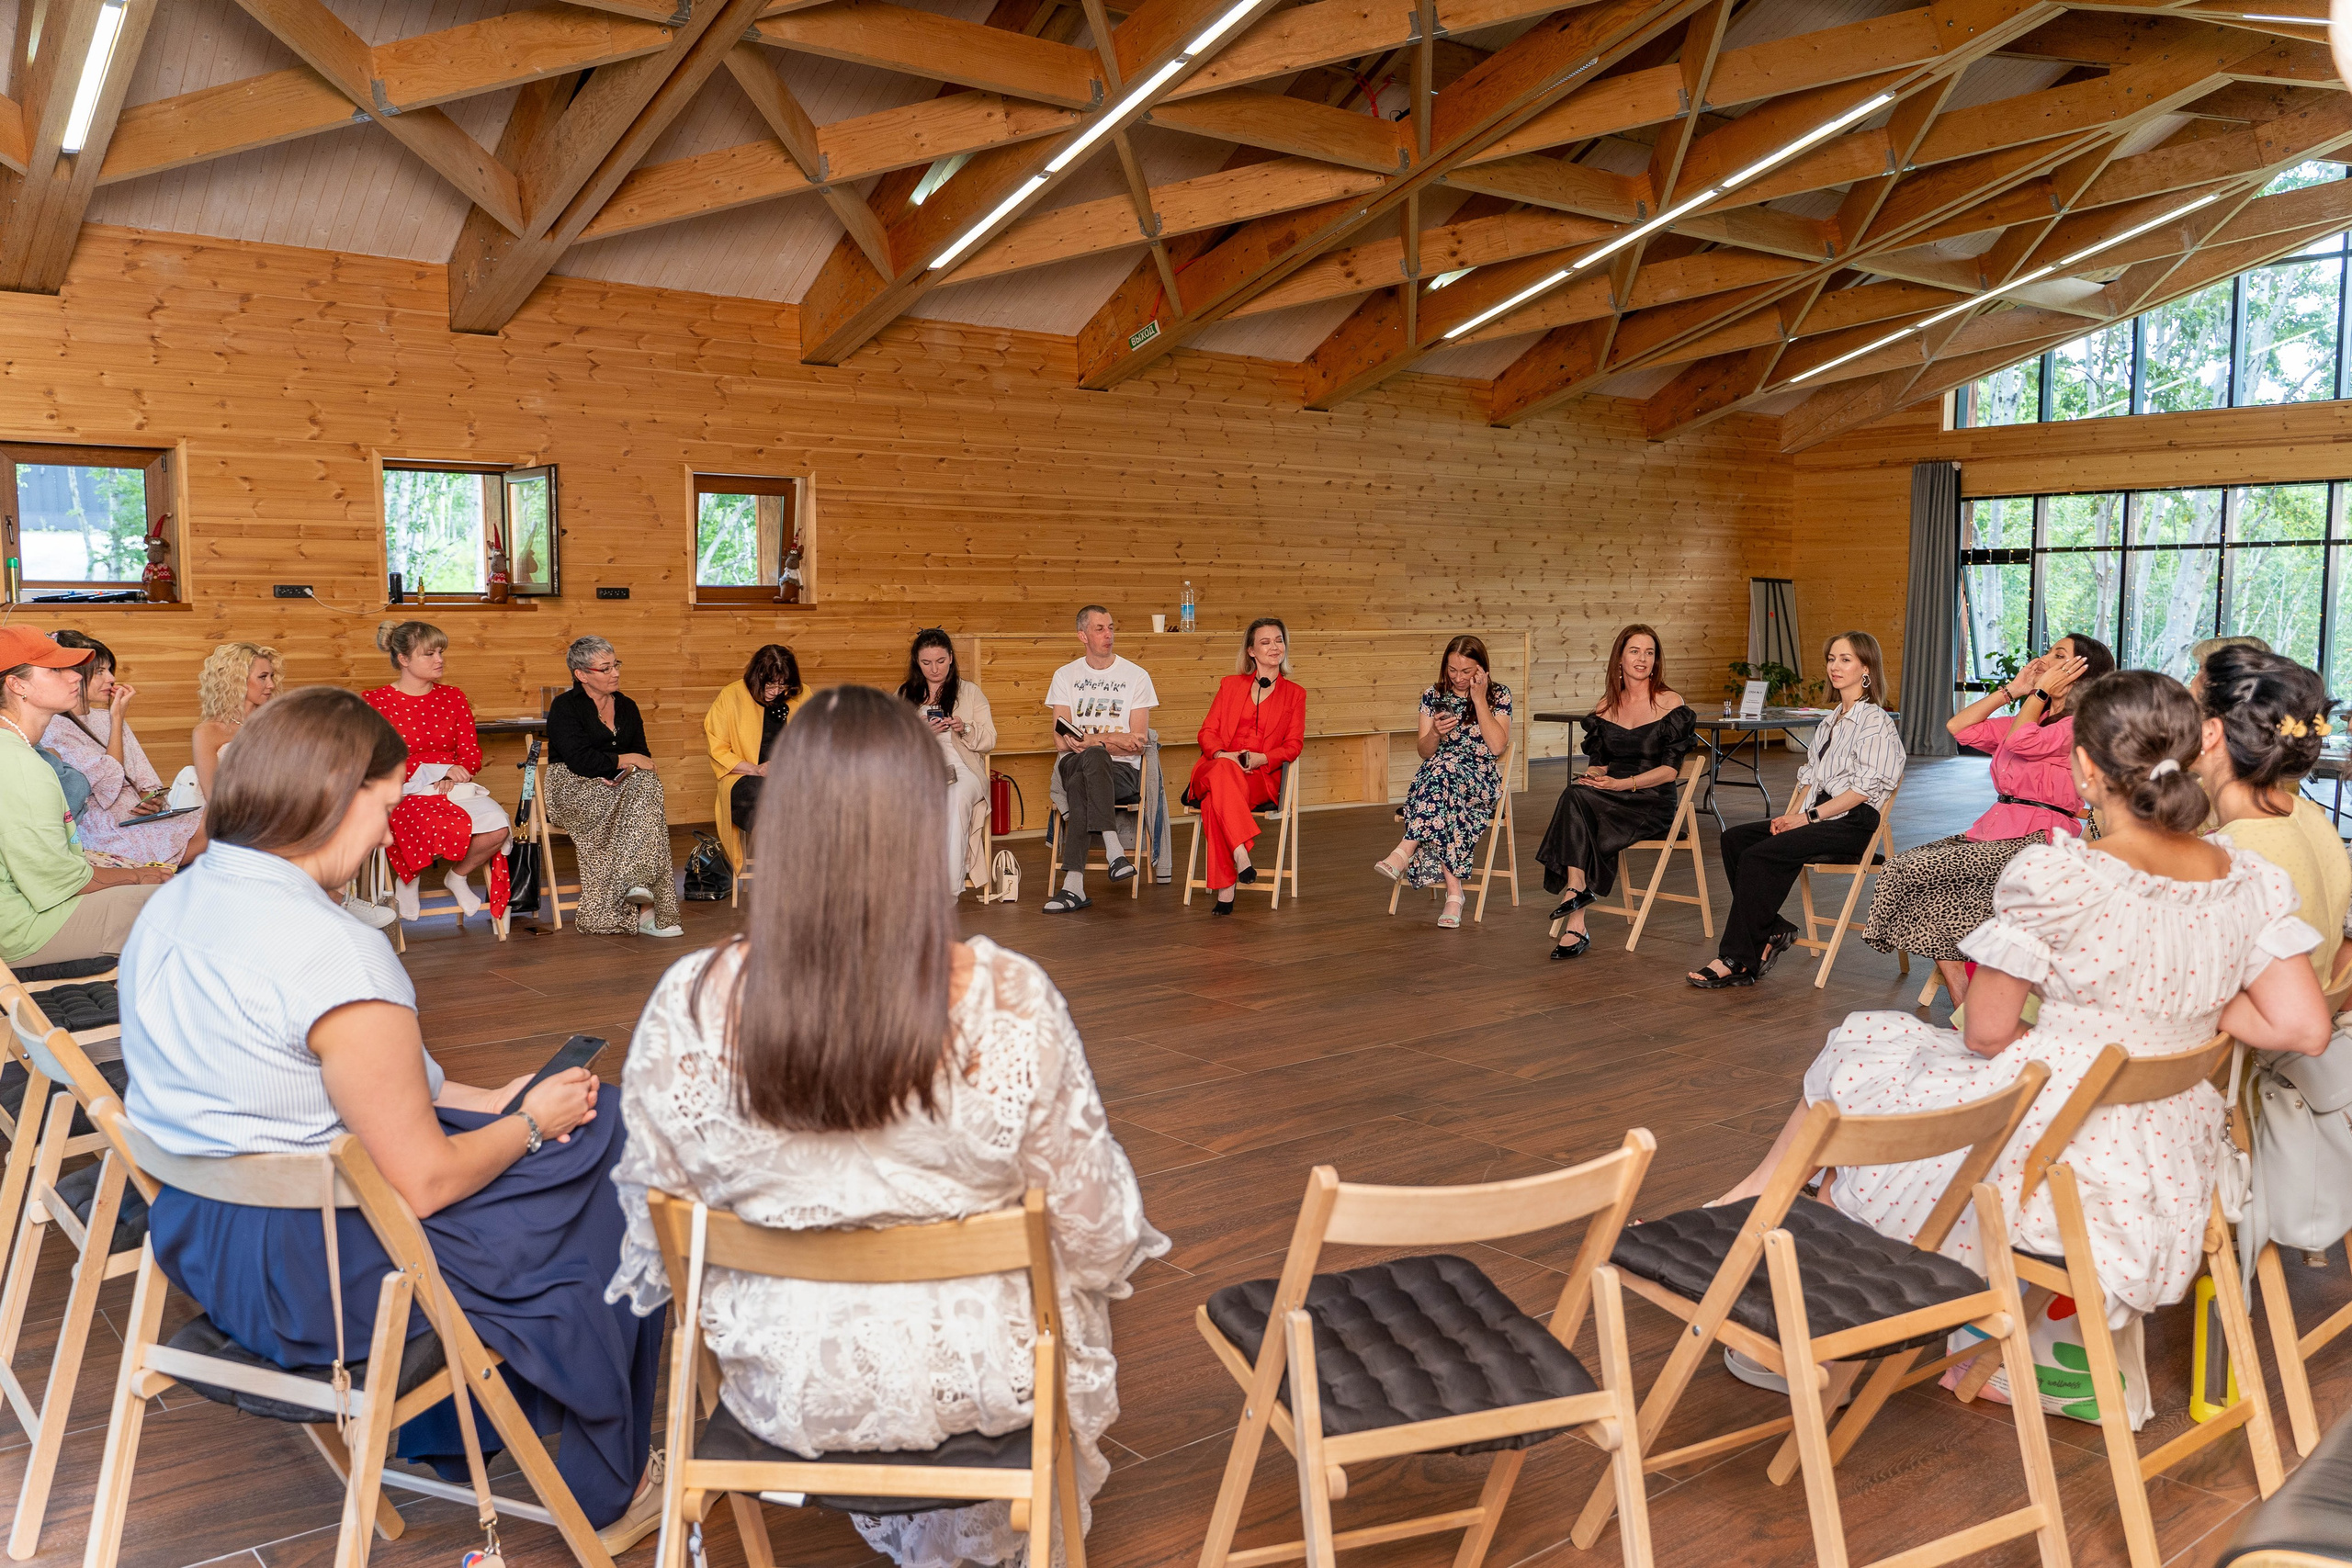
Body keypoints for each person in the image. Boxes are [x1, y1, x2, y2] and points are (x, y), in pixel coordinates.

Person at [607, 686, 1166, 1568]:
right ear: (922, 821)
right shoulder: (1010, 999)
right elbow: (1100, 1233)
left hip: (783, 1382)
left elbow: (658, 1224)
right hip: (978, 1384)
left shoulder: (693, 1001)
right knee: (1069, 1270)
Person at [119, 687, 666, 1551]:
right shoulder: (334, 948)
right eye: (385, 806)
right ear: (334, 798)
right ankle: (610, 1479)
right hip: (321, 1283)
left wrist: (494, 1101)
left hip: (199, 1241)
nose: (388, 833)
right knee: (617, 1151)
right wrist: (529, 1123)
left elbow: (314, 1080)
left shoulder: (176, 903)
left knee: (585, 1132)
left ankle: (494, 1423)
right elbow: (427, 1181)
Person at [1716, 671, 2331, 1369]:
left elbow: (1985, 1030)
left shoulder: (2062, 877)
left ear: (2086, 768)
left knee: (1864, 1062)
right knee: (1875, 1069)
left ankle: (1811, 1341)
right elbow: (2304, 1028)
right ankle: (1795, 1278)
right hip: (2172, 1165)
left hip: (2062, 1158)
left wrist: (2095, 1024)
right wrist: (2182, 998)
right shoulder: (2246, 877)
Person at [1863, 634, 2114, 1002]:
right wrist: (2013, 691)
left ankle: (1974, 998)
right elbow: (1959, 728)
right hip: (1992, 830)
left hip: (2037, 841)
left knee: (1908, 868)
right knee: (1922, 890)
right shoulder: (2034, 717)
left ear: (2079, 673)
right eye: (2048, 651)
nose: (2044, 659)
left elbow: (2020, 741)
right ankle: (1963, 998)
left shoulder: (2081, 725)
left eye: (2058, 655)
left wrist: (2039, 693)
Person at [1689, 631, 1904, 988]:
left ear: (1867, 669)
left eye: (1845, 659)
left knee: (1759, 856)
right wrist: (1790, 818)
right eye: (1831, 659)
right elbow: (1809, 781)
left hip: (1852, 825)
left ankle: (1736, 959)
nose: (1835, 666)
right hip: (1817, 818)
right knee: (1735, 840)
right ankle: (1771, 929)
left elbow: (1861, 792)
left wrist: (1805, 818)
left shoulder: (1875, 722)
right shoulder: (1830, 721)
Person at [0, 627, 172, 967]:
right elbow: (58, 880)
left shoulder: (21, 751)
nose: (75, 676)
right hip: (24, 928)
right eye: (55, 670)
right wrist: (136, 875)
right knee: (186, 904)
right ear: (17, 685)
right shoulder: (19, 763)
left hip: (28, 909)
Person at [1535, 625, 1695, 959]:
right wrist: (1592, 777)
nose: (1642, 659)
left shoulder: (1670, 703)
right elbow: (1600, 764)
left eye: (1649, 652)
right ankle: (1576, 904)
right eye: (1634, 651)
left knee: (1581, 809)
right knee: (1576, 793)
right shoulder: (1606, 706)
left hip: (1651, 801)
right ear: (1619, 658)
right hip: (1611, 796)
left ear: (1656, 660)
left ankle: (1576, 911)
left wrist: (1621, 784)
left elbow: (1669, 772)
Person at [2196, 645, 2347, 986]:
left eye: (2185, 706)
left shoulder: (2233, 856)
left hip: (2261, 1015)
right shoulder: (2311, 816)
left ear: (2210, 733)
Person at [362, 622, 511, 927]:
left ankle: (457, 877)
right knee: (425, 820)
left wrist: (453, 776)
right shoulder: (375, 702)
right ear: (403, 659)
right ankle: (409, 877)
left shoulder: (453, 697)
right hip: (403, 790)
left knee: (498, 826)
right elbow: (375, 761)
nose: (439, 660)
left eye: (441, 652)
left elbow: (471, 754)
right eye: (429, 654)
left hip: (454, 789)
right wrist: (432, 773)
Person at [546, 637, 683, 938]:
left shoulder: (627, 706)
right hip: (573, 787)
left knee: (647, 784)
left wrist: (623, 769)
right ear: (582, 674)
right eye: (605, 668)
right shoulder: (565, 707)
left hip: (621, 784)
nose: (615, 673)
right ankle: (646, 909)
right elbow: (580, 760)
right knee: (644, 806)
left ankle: (640, 889)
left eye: (615, 665)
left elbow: (643, 756)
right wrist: (621, 761)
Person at [1374, 636, 1513, 929]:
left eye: (1466, 671)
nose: (1459, 678)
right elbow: (1425, 752)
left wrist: (1479, 699)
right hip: (1438, 784)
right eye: (1452, 670)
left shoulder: (1498, 695)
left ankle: (1404, 850)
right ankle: (1454, 895)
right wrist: (1435, 733)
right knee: (1442, 773)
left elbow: (1497, 746)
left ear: (1482, 669)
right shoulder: (1433, 695)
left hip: (1478, 781)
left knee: (1443, 771)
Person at [42, 630, 208, 868]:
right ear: (73, 675)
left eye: (110, 670)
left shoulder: (105, 716)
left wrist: (151, 802)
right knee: (222, 829)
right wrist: (117, 719)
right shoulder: (53, 727)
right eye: (100, 671)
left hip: (141, 821)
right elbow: (107, 779)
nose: (111, 679)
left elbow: (144, 777)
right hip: (105, 830)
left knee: (226, 816)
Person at [1185, 619, 1306, 915]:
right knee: (1223, 772)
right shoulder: (1230, 685)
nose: (1274, 647)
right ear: (1251, 651)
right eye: (1265, 642)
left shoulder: (1295, 694)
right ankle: (1241, 854)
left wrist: (1263, 758)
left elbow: (1293, 745)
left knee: (1214, 802)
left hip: (1258, 777)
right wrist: (1223, 755)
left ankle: (1227, 887)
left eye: (1278, 640)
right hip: (1216, 767)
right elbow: (1207, 732)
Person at [1043, 606, 1158, 913]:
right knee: (1089, 761)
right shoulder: (1065, 675)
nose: (1109, 634)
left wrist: (1092, 740)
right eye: (1100, 629)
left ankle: (1073, 887)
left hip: (1121, 771)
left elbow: (1137, 743)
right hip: (1072, 762)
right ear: (1082, 635)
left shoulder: (1137, 676)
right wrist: (1115, 739)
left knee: (1083, 778)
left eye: (1111, 627)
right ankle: (1113, 848)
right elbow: (1060, 740)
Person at [896, 630, 999, 892]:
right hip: (920, 770)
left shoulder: (970, 692)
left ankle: (948, 891)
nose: (934, 669)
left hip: (963, 768)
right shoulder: (905, 694)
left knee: (955, 798)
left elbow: (990, 739)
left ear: (951, 658)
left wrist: (964, 728)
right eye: (926, 662)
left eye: (940, 661)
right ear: (917, 662)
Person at [704, 644, 802, 873]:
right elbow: (718, 749)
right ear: (756, 677)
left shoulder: (802, 696)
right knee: (763, 796)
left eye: (782, 685)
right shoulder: (731, 696)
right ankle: (780, 869)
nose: (776, 691)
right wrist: (756, 769)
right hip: (744, 777)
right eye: (770, 684)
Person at [169, 641, 279, 807]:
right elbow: (214, 798)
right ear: (237, 680)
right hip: (231, 813)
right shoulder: (207, 732)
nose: (271, 685)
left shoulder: (277, 724)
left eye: (272, 676)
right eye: (263, 677)